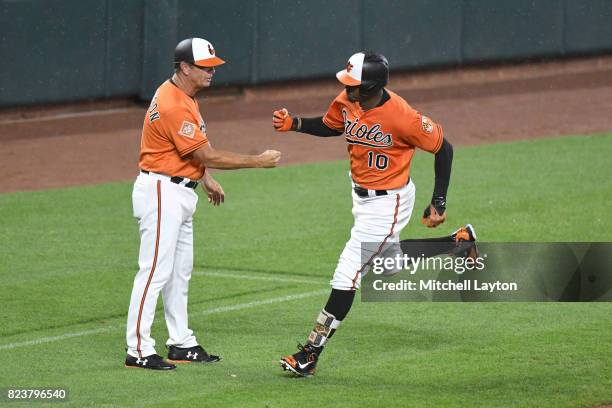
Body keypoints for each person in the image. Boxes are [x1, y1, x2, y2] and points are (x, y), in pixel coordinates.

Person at [273, 51, 476, 377]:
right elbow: (330, 126)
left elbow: (444, 148)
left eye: (353, 84)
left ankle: (310, 353)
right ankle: (458, 242)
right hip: (361, 199)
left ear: (371, 86)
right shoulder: (346, 100)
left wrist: (439, 200)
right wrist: (295, 123)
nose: (346, 87)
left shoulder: (402, 116)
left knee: (346, 275)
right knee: (388, 265)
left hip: (389, 203)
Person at [125, 37, 281, 370]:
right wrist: (257, 161)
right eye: (204, 67)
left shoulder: (182, 94)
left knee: (179, 274)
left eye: (213, 66)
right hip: (161, 193)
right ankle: (138, 349)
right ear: (184, 67)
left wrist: (204, 178)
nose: (212, 72)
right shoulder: (174, 103)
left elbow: (184, 151)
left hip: (178, 190)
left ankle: (181, 343)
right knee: (154, 272)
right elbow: (206, 153)